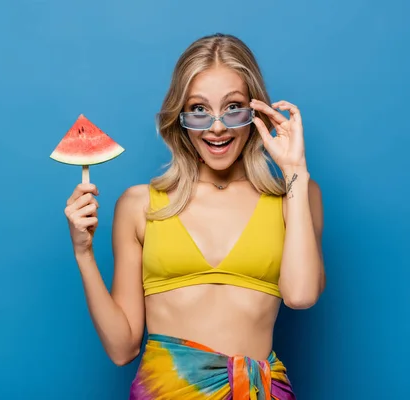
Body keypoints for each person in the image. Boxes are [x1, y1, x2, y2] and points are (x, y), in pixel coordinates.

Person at [63, 33, 325, 400]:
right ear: (180, 117)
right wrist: (83, 253)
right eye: (199, 110)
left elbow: (300, 295)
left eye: (232, 107)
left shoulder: (297, 195)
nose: (216, 127)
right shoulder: (140, 205)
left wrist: (295, 170)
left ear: (256, 113)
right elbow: (122, 349)